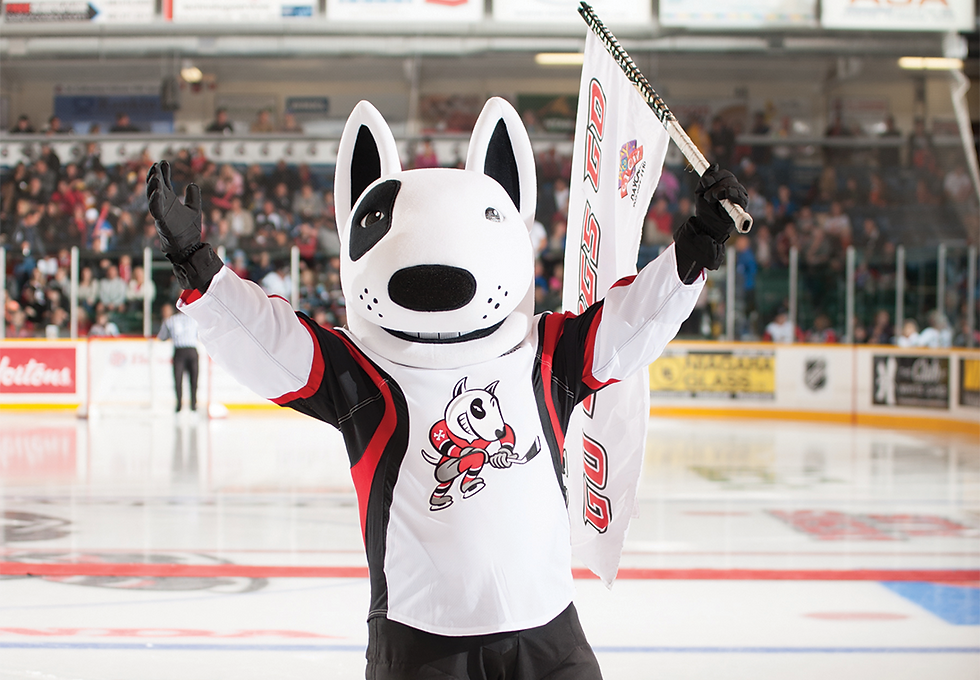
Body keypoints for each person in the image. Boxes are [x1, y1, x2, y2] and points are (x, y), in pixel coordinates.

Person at [146, 97, 747, 679]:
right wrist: (199, 264)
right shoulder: (360, 371)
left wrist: (696, 244)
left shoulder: (546, 353)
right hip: (422, 643)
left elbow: (633, 321)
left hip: (548, 632)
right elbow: (269, 340)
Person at [157, 303, 201, 412]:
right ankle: (193, 405)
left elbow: (162, 337)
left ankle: (179, 405)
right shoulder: (195, 320)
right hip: (191, 350)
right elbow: (200, 336)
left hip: (180, 351)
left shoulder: (171, 320)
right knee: (193, 380)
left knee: (178, 380)